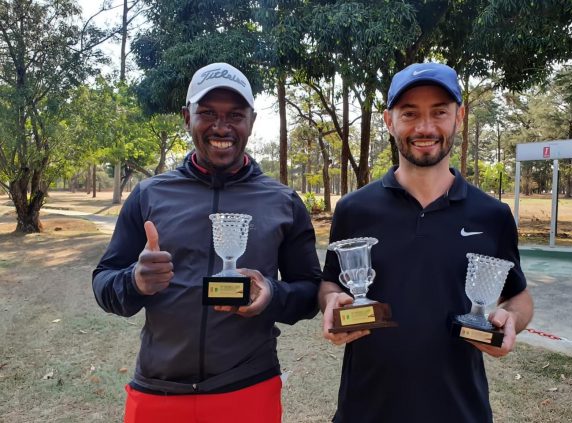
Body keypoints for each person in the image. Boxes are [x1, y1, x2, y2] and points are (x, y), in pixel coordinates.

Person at [93, 62, 322, 423]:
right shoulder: (150, 195)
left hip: (248, 390)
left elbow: (310, 293)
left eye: (235, 114)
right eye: (207, 113)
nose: (221, 127)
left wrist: (271, 296)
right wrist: (134, 281)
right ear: (187, 117)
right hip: (157, 392)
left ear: (251, 120)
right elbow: (103, 284)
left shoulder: (283, 202)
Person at [319, 62, 534, 422]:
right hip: (366, 409)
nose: (425, 127)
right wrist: (331, 303)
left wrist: (510, 319)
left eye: (439, 112)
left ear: (459, 117)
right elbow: (329, 283)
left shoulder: (492, 214)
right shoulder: (353, 209)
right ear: (389, 121)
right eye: (410, 113)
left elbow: (518, 295)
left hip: (460, 409)